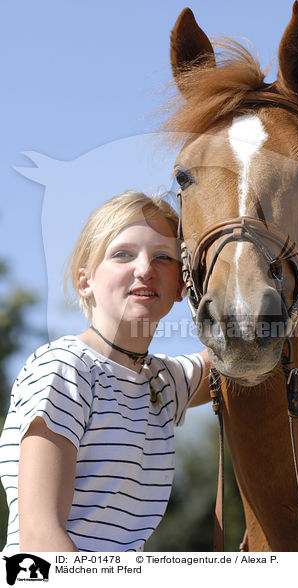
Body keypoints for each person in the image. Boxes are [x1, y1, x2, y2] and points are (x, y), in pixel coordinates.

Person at [0, 190, 211, 552]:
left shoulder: (162, 381)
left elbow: (240, 354)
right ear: (85, 281)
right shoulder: (65, 368)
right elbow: (40, 538)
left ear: (181, 286)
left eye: (163, 257)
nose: (145, 269)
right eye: (122, 254)